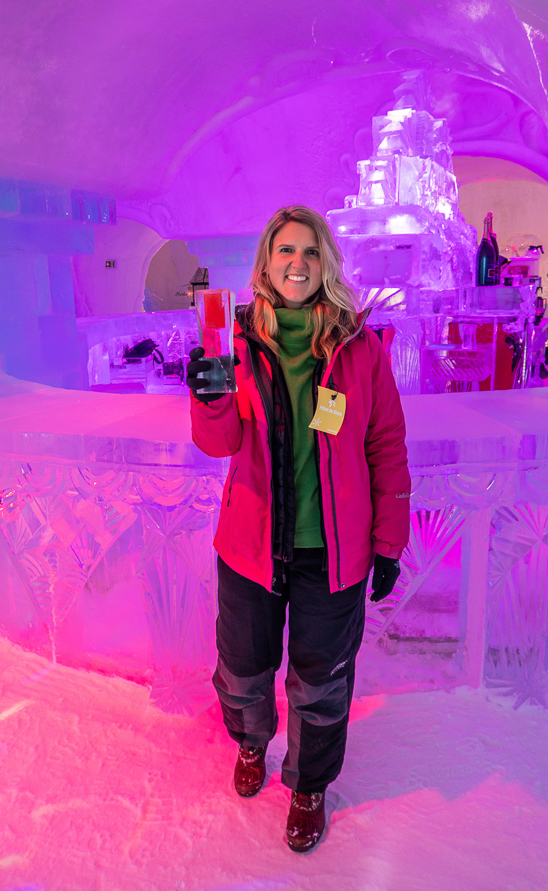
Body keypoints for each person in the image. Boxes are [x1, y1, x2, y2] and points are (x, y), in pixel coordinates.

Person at [186, 206, 410, 852]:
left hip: (332, 556)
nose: (297, 263)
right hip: (251, 546)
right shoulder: (236, 340)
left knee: (321, 678)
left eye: (310, 252)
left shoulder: (360, 348)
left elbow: (386, 443)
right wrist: (209, 400)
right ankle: (252, 743)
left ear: (326, 264)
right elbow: (221, 441)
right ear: (266, 260)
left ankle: (309, 784)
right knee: (243, 668)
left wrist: (388, 541)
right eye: (286, 251)